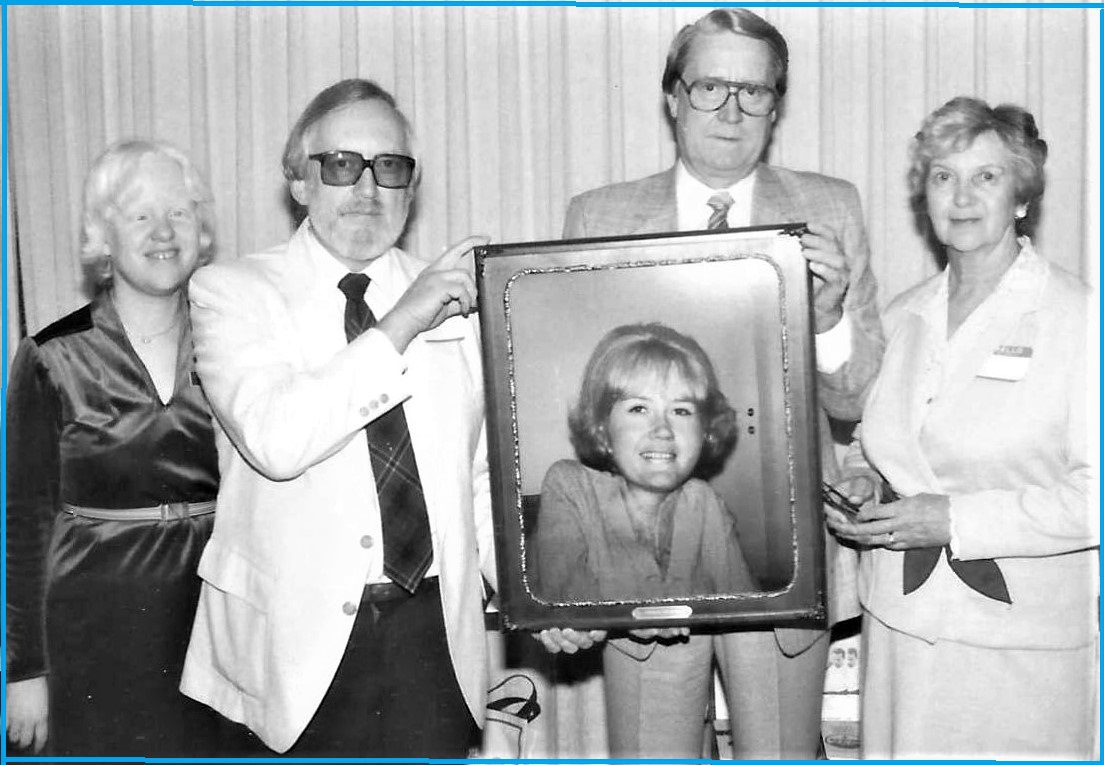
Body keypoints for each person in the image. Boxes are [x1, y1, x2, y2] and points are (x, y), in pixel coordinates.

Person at [544, 8, 884, 758]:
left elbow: (858, 396)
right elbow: (580, 416)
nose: (732, 110)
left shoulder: (832, 207)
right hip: (641, 561)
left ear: (777, 104)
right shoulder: (598, 216)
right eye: (710, 87)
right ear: (673, 96)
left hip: (782, 559)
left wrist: (827, 317)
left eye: (754, 91)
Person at [179, 78, 496, 757]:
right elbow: (278, 439)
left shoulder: (460, 300)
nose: (367, 189)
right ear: (300, 181)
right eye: (341, 165)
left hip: (433, 637)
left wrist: (542, 600)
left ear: (411, 187)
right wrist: (405, 319)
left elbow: (479, 481)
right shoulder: (231, 291)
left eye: (389, 167)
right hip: (294, 652)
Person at [826, 96, 1096, 759]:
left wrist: (954, 520)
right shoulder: (899, 315)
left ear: (1022, 195)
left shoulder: (1078, 318)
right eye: (944, 176)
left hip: (1019, 648)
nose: (963, 195)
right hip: (899, 633)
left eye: (987, 176)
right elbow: (873, 441)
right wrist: (863, 482)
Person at [5, 139, 223, 755]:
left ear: (201, 229)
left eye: (179, 212)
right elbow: (21, 524)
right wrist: (25, 671)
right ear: (103, 235)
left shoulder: (236, 346)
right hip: (92, 627)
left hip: (214, 620)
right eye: (140, 215)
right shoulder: (52, 356)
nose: (164, 231)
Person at [532, 322, 752, 602]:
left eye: (681, 410)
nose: (662, 429)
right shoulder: (571, 487)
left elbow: (747, 609)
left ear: (704, 430)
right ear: (602, 427)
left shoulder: (704, 503)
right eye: (639, 408)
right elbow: (566, 607)